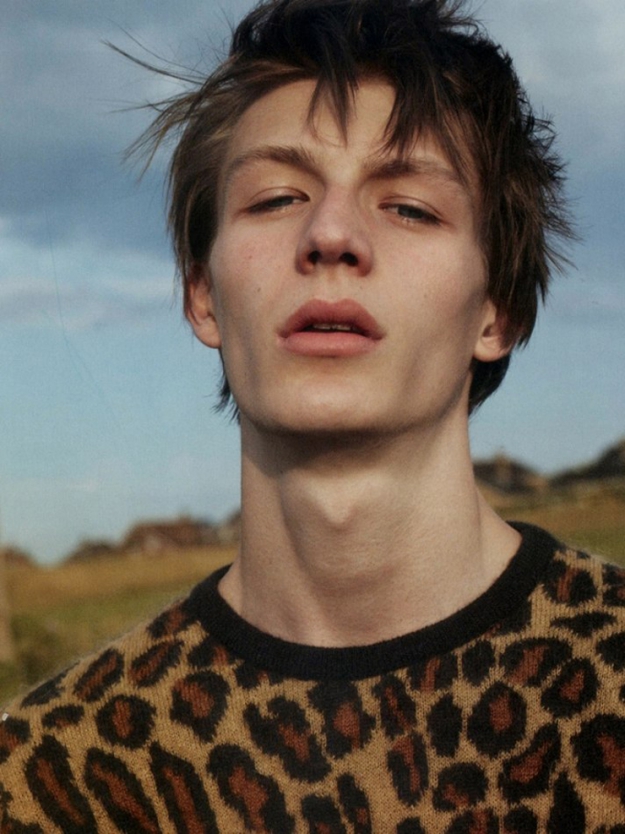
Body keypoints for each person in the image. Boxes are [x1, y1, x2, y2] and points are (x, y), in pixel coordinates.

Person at [1, 0, 624, 830]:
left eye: (410, 207)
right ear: (201, 293)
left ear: (497, 309)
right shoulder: (45, 777)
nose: (331, 234)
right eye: (275, 198)